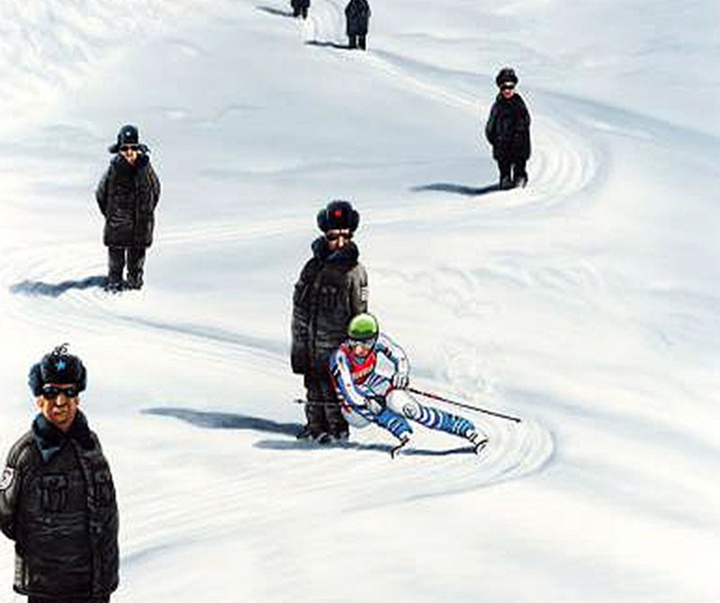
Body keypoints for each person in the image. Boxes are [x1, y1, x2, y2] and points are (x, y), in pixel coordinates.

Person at [0, 344, 119, 603]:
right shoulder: (26, 453)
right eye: (51, 392)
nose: (60, 402)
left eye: (69, 392)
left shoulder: (92, 445)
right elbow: (5, 517)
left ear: (78, 397)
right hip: (49, 592)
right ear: (39, 398)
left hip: (97, 588)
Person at [331, 314, 488, 457]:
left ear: (373, 339)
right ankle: (405, 433)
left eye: (366, 344)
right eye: (354, 343)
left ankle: (466, 429)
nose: (359, 349)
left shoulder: (379, 341)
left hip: (370, 380)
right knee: (373, 409)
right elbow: (350, 391)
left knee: (407, 406)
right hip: (352, 403)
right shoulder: (340, 357)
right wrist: (366, 401)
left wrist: (401, 373)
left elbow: (398, 355)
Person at [291, 200, 368, 443]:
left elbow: (360, 317)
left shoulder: (355, 272)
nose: (340, 243)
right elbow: (300, 308)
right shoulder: (311, 268)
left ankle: (337, 431)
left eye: (346, 236)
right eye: (334, 236)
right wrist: (299, 345)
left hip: (337, 348)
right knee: (312, 386)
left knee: (333, 391)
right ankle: (314, 427)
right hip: (309, 344)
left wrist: (358, 352)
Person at [96, 124, 161, 292]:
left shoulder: (146, 169)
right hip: (118, 225)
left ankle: (135, 286)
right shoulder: (113, 170)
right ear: (119, 150)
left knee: (136, 260)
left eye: (133, 148)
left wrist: (145, 212)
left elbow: (155, 191)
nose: (130, 152)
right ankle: (114, 285)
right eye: (125, 149)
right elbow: (101, 194)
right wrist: (113, 214)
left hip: (140, 225)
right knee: (116, 261)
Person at [484, 67, 532, 190]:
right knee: (505, 172)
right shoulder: (497, 106)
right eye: (504, 87)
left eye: (510, 87)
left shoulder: (519, 104)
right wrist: (495, 140)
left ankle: (520, 183)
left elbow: (526, 121)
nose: (507, 90)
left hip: (519, 147)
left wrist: (519, 135)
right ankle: (505, 183)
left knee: (519, 172)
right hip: (502, 148)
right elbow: (490, 126)